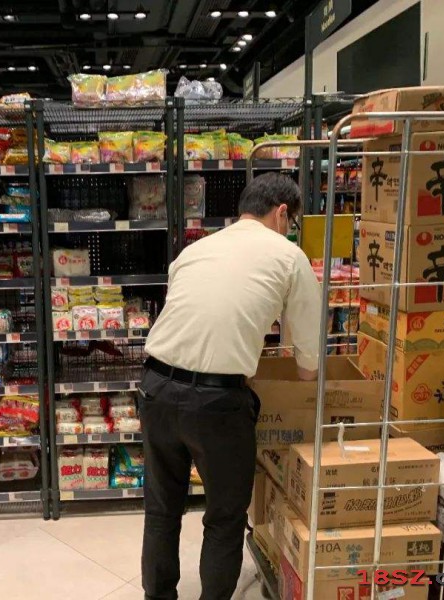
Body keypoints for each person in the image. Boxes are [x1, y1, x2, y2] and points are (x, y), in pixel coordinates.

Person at [140, 172, 322, 600]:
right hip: (217, 401)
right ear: (282, 213)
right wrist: (304, 386)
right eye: (292, 221)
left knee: (162, 509)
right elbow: (309, 346)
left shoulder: (195, 250)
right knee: (224, 517)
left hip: (156, 387)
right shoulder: (288, 254)